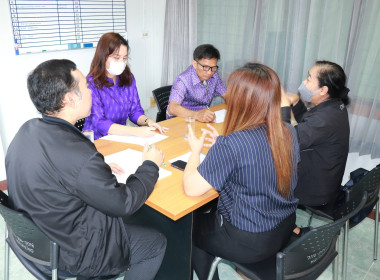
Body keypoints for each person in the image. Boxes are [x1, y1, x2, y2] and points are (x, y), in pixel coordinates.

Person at [5, 59, 166, 280]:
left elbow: (56, 169)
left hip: (36, 240)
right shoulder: (79, 155)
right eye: (86, 86)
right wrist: (150, 165)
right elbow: (124, 203)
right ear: (69, 99)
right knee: (155, 243)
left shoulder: (27, 130)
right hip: (73, 253)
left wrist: (89, 171)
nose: (91, 90)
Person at [183, 63, 300, 280]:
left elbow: (191, 188)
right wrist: (221, 145)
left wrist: (195, 152)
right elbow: (261, 159)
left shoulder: (232, 144)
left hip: (248, 241)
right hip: (283, 227)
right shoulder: (288, 132)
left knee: (184, 227)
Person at [281, 60, 350, 206]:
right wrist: (297, 104)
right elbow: (309, 125)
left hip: (312, 190)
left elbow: (286, 141)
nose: (303, 82)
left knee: (260, 174)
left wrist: (284, 109)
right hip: (322, 180)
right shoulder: (334, 106)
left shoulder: (325, 119)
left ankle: (279, 224)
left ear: (323, 90)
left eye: (309, 79)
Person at [84, 32, 168, 140]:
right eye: (116, 57)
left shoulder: (128, 78)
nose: (121, 62)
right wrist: (136, 131)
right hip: (97, 140)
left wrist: (148, 121)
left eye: (124, 58)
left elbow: (135, 111)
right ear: (103, 56)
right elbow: (100, 122)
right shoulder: (92, 83)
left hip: (121, 139)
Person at [166, 44, 227, 122]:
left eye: (213, 67)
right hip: (182, 119)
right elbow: (172, 108)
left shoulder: (214, 74)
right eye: (205, 67)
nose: (209, 72)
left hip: (202, 117)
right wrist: (197, 115)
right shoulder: (183, 80)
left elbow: (226, 94)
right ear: (195, 64)